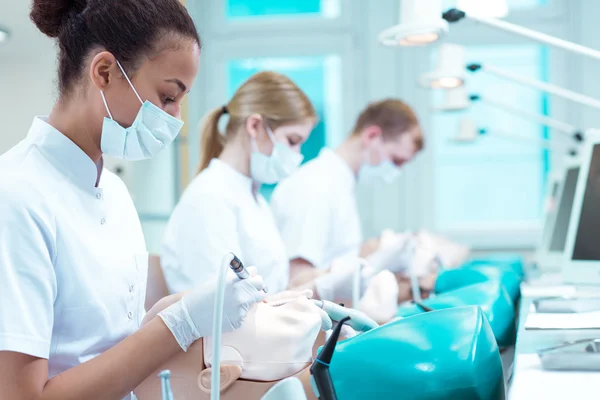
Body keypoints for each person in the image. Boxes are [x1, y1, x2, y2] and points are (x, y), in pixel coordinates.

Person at [0, 1, 266, 399]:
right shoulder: (17, 196)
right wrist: (178, 324)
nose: (175, 119)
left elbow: (111, 349)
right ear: (104, 72)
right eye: (167, 97)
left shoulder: (115, 193)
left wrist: (188, 310)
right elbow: (23, 395)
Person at [160, 71, 317, 295]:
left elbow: (270, 290)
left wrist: (319, 283)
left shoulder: (254, 200)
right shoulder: (209, 197)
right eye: (292, 141)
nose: (297, 155)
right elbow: (221, 308)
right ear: (254, 126)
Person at [271, 99, 425, 301]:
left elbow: (334, 259)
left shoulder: (339, 185)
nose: (395, 172)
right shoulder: (316, 186)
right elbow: (297, 283)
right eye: (395, 161)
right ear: (372, 136)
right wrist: (375, 263)